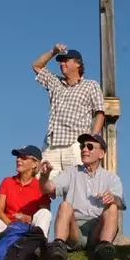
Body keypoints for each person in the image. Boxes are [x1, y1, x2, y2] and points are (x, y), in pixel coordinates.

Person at [40, 133, 126, 260]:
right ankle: (58, 249)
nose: (84, 149)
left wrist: (113, 198)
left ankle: (103, 251)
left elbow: (121, 202)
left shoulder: (111, 178)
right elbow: (47, 188)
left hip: (98, 229)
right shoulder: (71, 172)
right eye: (82, 146)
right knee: (64, 205)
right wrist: (44, 175)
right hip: (75, 230)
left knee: (113, 207)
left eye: (90, 146)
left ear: (101, 154)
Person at [32, 43, 105, 178]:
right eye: (60, 61)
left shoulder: (90, 85)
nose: (62, 64)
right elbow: (37, 66)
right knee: (40, 185)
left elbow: (100, 113)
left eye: (66, 60)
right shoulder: (55, 82)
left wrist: (91, 140)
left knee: (77, 187)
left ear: (78, 64)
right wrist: (53, 51)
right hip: (52, 145)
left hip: (75, 145)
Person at [0, 145, 52, 251]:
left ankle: (39, 248)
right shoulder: (7, 181)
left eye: (23, 157)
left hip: (29, 230)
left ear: (35, 163)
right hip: (7, 226)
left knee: (45, 213)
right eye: (18, 157)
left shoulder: (40, 186)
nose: (18, 159)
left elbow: (44, 215)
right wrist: (12, 226)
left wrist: (29, 219)